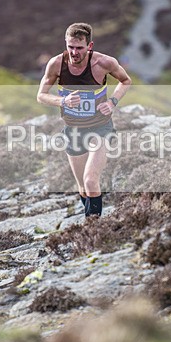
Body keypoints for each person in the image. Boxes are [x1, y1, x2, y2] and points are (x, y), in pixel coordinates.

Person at [37, 23, 131, 217]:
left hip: (100, 128)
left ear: (89, 46)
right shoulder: (56, 64)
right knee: (82, 187)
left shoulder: (104, 63)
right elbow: (41, 95)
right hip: (73, 130)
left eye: (79, 48)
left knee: (90, 180)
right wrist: (63, 100)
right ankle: (92, 225)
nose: (74, 52)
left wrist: (113, 101)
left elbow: (125, 80)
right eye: (70, 47)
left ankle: (93, 230)